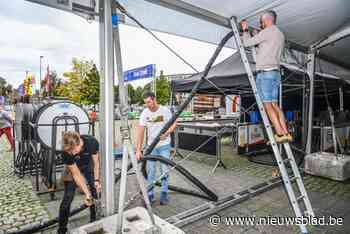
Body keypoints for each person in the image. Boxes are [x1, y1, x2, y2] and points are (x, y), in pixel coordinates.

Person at [241, 10, 292, 143]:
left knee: (267, 105)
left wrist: (245, 31)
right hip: (275, 73)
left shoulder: (268, 31)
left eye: (262, 21)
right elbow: (263, 50)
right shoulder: (280, 34)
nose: (261, 23)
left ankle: (279, 134)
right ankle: (286, 133)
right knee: (275, 104)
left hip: (266, 74)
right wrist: (258, 37)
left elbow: (246, 43)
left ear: (268, 20)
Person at [136, 91, 177, 205]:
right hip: (151, 146)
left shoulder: (165, 110)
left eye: (149, 102)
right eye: (145, 103)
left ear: (154, 99)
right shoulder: (145, 113)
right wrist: (138, 150)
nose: (148, 105)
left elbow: (175, 123)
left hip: (164, 146)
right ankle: (150, 195)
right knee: (151, 171)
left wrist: (167, 133)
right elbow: (140, 132)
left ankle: (164, 193)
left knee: (164, 170)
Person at [58, 131, 101, 234]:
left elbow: (96, 163)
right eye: (70, 152)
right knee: (68, 197)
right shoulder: (66, 153)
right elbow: (76, 174)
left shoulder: (92, 142)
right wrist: (86, 193)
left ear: (79, 144)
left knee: (95, 191)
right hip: (74, 167)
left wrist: (96, 180)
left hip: (88, 164)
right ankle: (62, 229)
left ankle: (93, 221)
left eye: (73, 150)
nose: (72, 153)